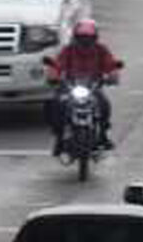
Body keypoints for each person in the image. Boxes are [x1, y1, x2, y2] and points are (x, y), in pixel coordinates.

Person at [45, 19, 123, 156]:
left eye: (88, 38)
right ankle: (59, 138)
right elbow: (57, 65)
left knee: (104, 105)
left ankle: (103, 136)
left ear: (95, 38)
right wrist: (53, 76)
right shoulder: (68, 50)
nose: (85, 42)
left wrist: (113, 75)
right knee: (55, 105)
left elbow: (110, 65)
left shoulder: (101, 50)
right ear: (75, 37)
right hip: (71, 86)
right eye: (81, 38)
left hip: (93, 86)